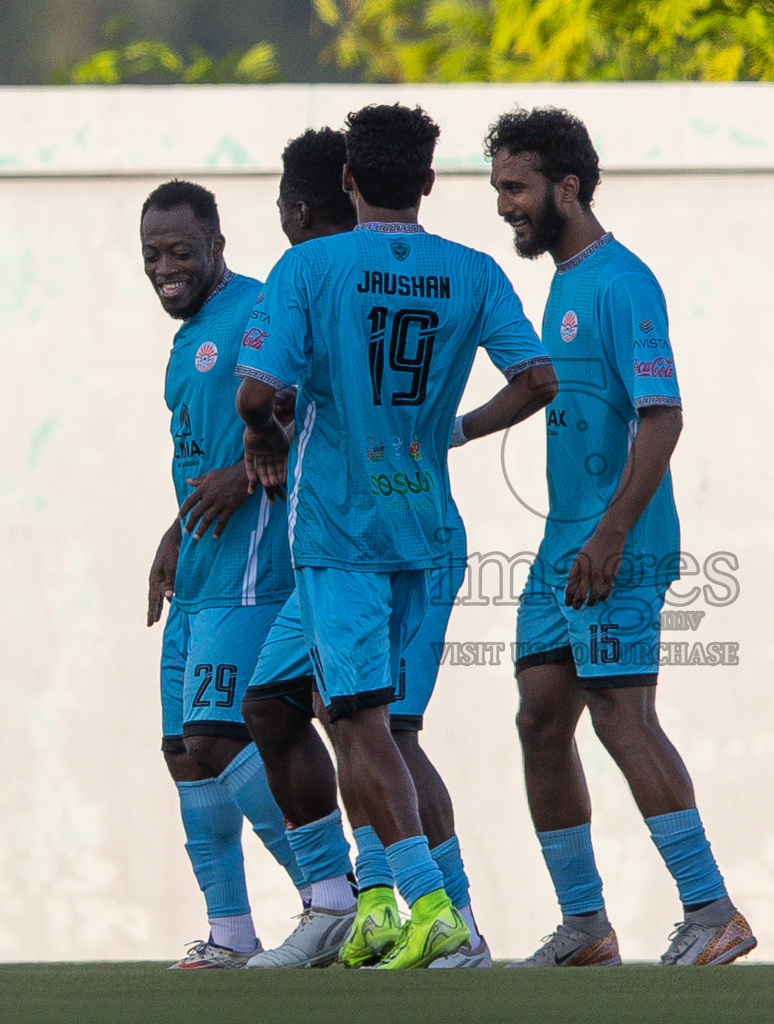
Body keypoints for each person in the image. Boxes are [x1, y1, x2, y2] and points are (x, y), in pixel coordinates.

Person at [234, 103, 557, 970]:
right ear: (426, 180)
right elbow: (536, 380)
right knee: (291, 704)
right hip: (427, 525)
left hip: (341, 533)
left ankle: (430, 906)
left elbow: (256, 392)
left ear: (346, 179)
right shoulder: (476, 271)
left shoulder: (310, 267)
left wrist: (265, 432)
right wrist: (452, 430)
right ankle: (375, 907)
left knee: (363, 722)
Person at [485, 107, 756, 968]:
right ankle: (586, 926)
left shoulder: (621, 282)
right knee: (539, 717)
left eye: (517, 187)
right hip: (566, 543)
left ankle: (713, 911)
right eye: (498, 188)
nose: (505, 205)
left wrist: (608, 535)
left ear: (568, 186)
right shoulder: (563, 280)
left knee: (621, 717)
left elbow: (664, 418)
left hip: (618, 545)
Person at [140, 180, 308, 969]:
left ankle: (329, 898)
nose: (165, 267)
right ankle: (231, 933)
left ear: (217, 245)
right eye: (152, 254)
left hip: (251, 564)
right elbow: (198, 452)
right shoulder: (186, 337)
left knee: (219, 734)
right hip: (199, 565)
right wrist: (175, 531)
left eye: (180, 251)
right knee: (183, 749)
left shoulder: (260, 307)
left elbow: (308, 405)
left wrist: (246, 476)